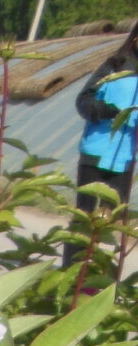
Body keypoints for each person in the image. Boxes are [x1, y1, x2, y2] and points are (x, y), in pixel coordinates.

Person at [64, 29, 138, 267]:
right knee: (83, 217)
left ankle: (99, 279)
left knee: (112, 221)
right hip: (95, 152)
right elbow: (83, 100)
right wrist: (106, 110)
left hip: (125, 159)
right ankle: (70, 269)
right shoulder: (114, 66)